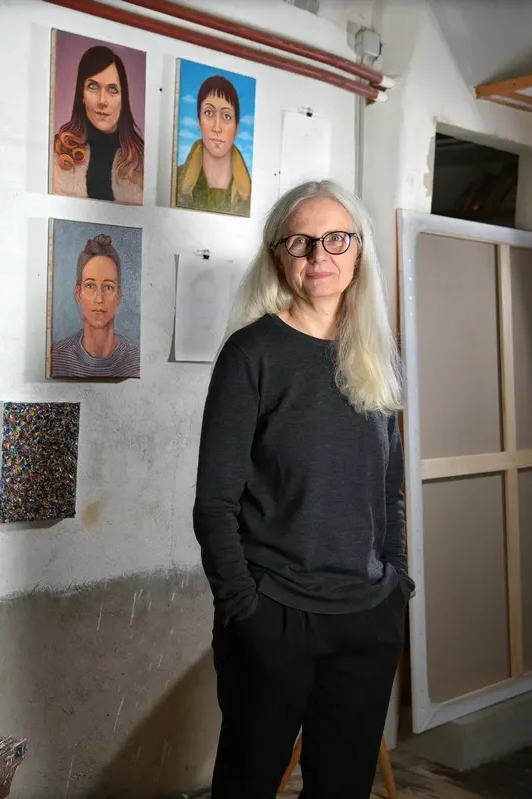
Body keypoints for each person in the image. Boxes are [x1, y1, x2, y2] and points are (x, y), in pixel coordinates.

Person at [193, 180, 415, 799]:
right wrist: (246, 609)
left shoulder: (374, 352)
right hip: (275, 616)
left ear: (359, 251)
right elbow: (214, 504)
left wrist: (396, 583)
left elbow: (388, 486)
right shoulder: (252, 354)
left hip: (366, 617)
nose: (320, 255)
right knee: (247, 783)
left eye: (336, 239)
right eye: (302, 241)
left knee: (342, 788)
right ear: (279, 255)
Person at [52, 45, 144, 205]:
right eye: (93, 87)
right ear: (82, 95)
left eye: (112, 90)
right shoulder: (57, 151)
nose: (102, 101)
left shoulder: (141, 160)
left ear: (123, 99)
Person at [52, 234, 140, 379]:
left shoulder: (136, 360)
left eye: (108, 287)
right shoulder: (55, 357)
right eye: (90, 286)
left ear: (118, 295)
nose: (99, 299)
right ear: (78, 293)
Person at [177, 75, 251, 216]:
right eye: (209, 113)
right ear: (199, 121)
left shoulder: (251, 192)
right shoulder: (176, 181)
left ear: (236, 128)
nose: (217, 127)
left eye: (226, 116)